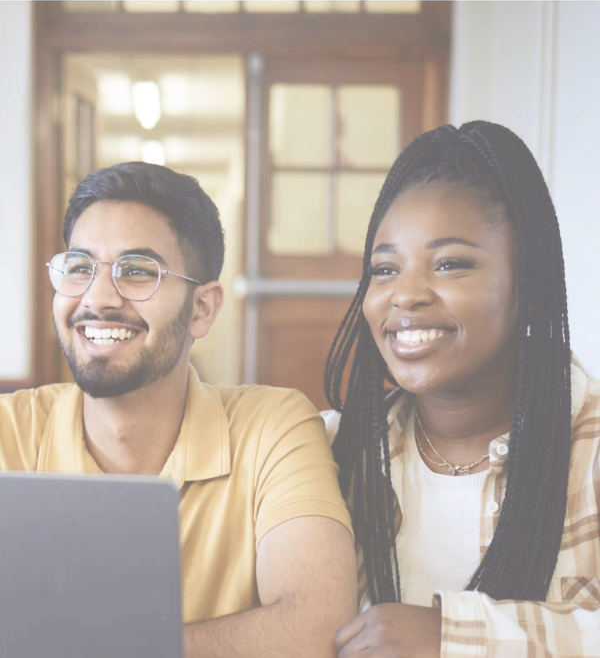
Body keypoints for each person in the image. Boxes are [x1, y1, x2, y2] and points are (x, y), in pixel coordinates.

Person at [0, 162, 357, 658]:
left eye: (139, 271)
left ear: (203, 309)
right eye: (80, 267)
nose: (98, 299)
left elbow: (316, 629)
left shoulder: (273, 427)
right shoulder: (7, 432)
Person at [323, 121, 599, 658]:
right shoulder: (329, 450)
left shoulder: (588, 449)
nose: (405, 295)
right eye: (384, 269)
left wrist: (454, 638)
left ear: (526, 284)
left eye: (450, 263)